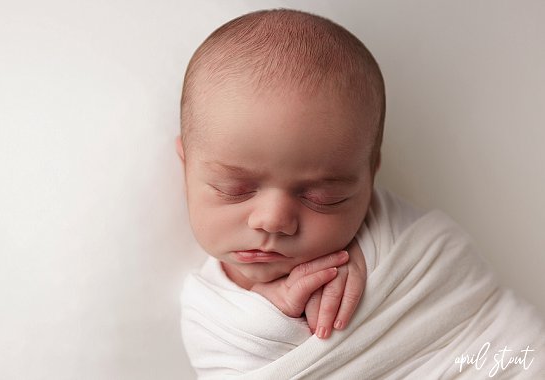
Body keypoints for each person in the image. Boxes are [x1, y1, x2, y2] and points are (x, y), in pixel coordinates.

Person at [176, 9, 544, 378]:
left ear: (369, 179)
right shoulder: (207, 313)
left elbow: (470, 307)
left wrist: (366, 257)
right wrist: (275, 316)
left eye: (322, 198)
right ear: (186, 164)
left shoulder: (395, 240)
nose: (273, 220)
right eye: (235, 190)